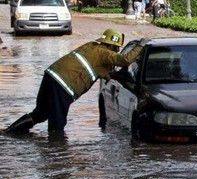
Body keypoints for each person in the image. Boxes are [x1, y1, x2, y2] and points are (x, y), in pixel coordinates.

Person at [2, 29, 145, 134]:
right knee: (57, 123)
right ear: (111, 46)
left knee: (40, 113)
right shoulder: (105, 53)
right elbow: (125, 60)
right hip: (63, 85)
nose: (117, 51)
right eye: (116, 48)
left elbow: (105, 72)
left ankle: (8, 132)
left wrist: (122, 77)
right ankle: (56, 156)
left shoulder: (91, 47)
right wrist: (141, 46)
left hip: (50, 76)